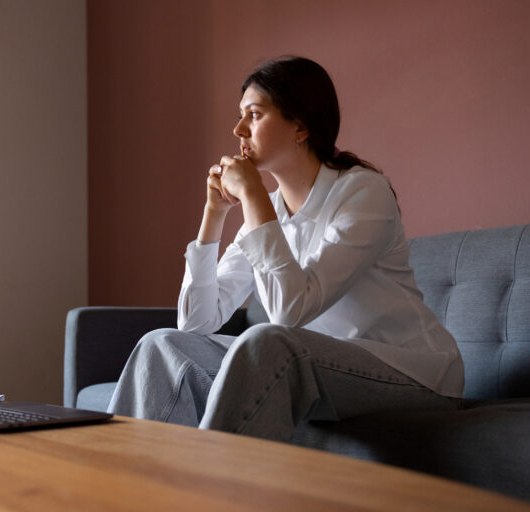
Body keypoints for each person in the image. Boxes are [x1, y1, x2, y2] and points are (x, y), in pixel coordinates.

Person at [107, 56, 464, 442]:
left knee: (269, 342)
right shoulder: (269, 210)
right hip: (317, 367)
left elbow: (288, 312)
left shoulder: (362, 193)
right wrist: (214, 215)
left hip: (410, 373)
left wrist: (253, 195)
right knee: (162, 345)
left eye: (254, 115)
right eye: (241, 115)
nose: (238, 128)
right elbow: (195, 324)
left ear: (301, 126)